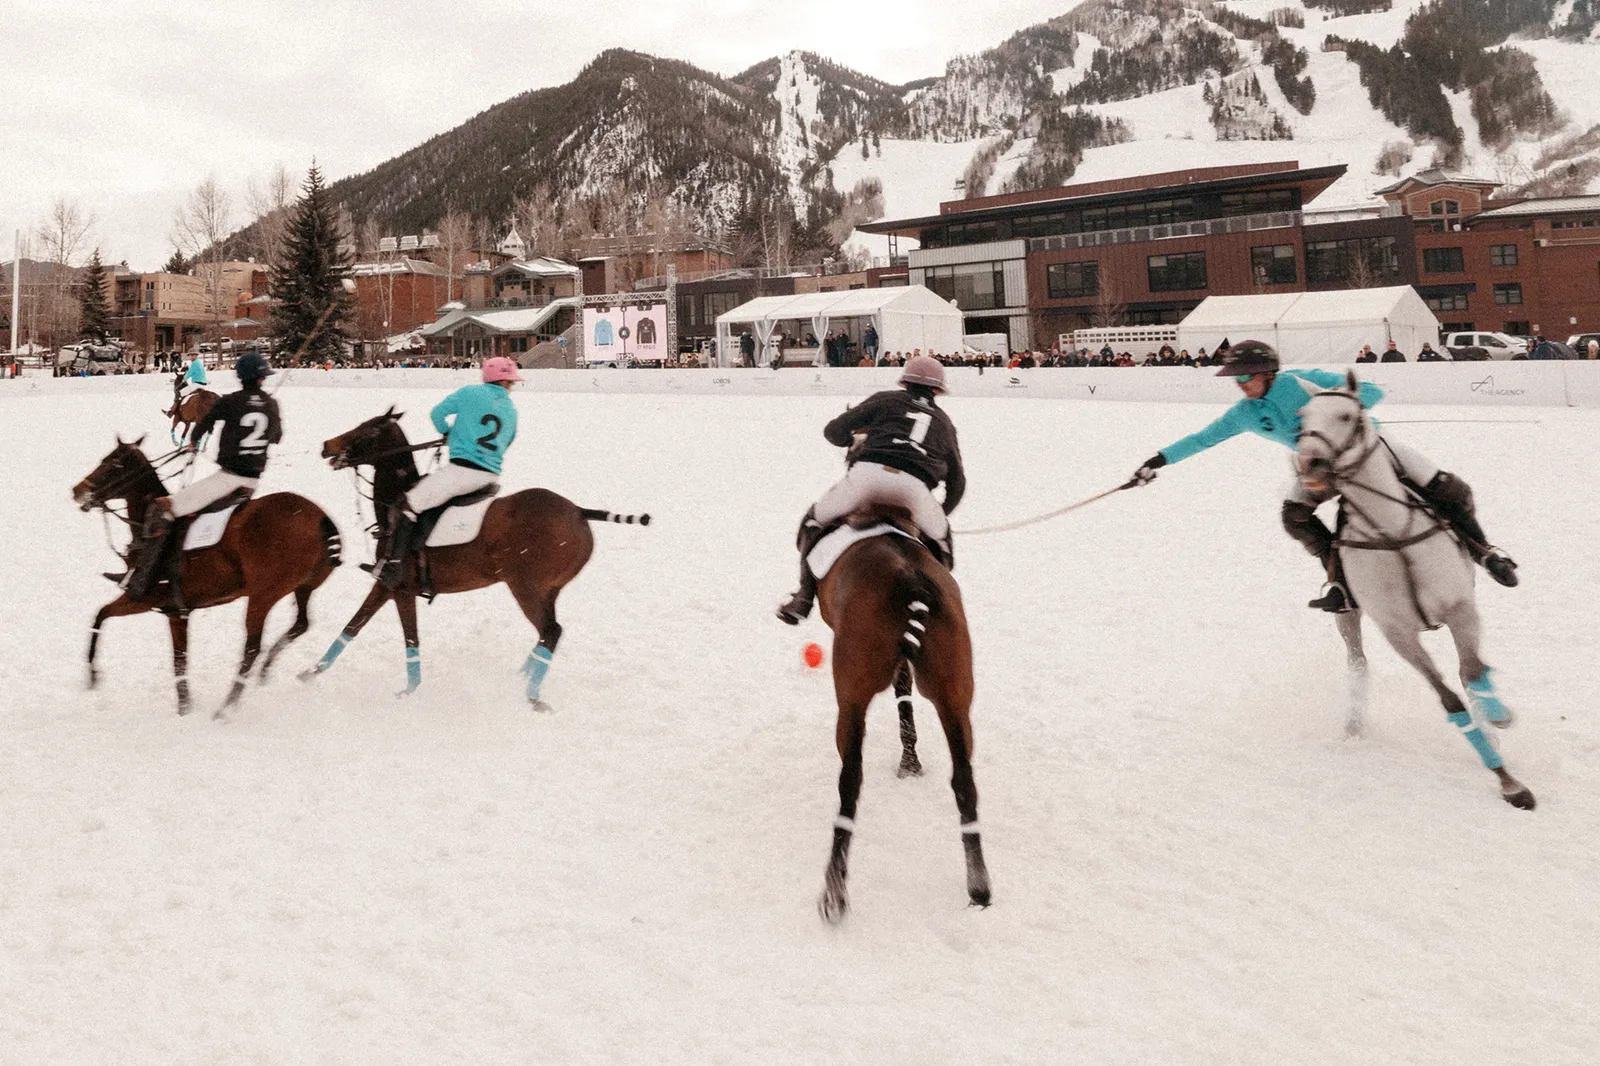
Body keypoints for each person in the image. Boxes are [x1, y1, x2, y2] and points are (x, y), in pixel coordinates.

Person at [1126, 340, 1518, 613]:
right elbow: (1203, 439)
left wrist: (1340, 407)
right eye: (1236, 378)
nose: (1240, 384)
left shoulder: (1300, 381)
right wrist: (1157, 461)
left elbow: (1372, 389)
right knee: (1293, 515)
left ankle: (1485, 552)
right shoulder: (1243, 413)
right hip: (1318, 469)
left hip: (1367, 448)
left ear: (1268, 372)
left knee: (1448, 488)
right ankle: (1341, 583)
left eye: (1245, 377)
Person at [776, 354, 965, 624]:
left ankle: (804, 597)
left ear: (906, 382)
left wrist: (849, 439)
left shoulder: (886, 399)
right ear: (937, 390)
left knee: (812, 520)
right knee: (944, 547)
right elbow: (958, 483)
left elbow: (833, 431)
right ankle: (938, 610)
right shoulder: (945, 424)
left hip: (867, 478)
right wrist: (937, 513)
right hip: (915, 493)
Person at [121, 352, 281, 600]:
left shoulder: (231, 401)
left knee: (162, 509)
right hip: (253, 482)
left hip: (228, 478)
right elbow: (277, 437)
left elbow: (204, 424)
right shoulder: (271, 404)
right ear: (262, 378)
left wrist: (194, 442)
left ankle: (141, 581)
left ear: (241, 376)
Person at [372, 357, 523, 588]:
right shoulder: (511, 410)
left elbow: (437, 414)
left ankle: (393, 566)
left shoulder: (469, 393)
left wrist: (448, 433)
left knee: (409, 503)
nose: (511, 388)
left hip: (463, 471)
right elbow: (509, 440)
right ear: (502, 382)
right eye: (510, 383)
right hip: (490, 474)